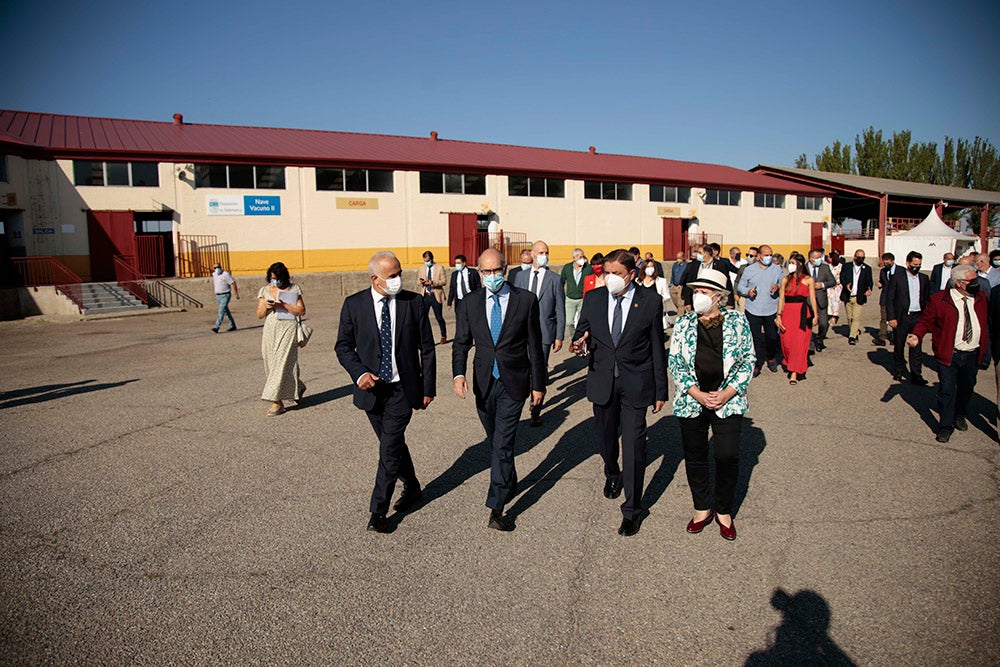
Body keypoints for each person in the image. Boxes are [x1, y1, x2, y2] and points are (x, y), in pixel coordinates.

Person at [334, 251, 437, 533]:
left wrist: (428, 388)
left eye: (400, 273)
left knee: (388, 448)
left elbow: (426, 348)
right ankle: (413, 486)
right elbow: (343, 346)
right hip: (372, 391)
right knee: (392, 444)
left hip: (403, 388)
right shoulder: (354, 305)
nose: (398, 280)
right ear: (375, 279)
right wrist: (359, 373)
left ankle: (378, 511)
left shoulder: (413, 303)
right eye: (392, 276)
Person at [570, 249, 667, 536]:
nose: (610, 279)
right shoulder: (594, 298)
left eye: (617, 274)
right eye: (606, 273)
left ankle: (632, 509)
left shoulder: (650, 302)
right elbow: (582, 333)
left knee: (635, 446)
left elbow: (657, 347)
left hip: (636, 383)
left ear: (632, 275)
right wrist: (580, 344)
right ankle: (612, 472)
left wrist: (660, 390)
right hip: (602, 380)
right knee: (605, 438)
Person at [452, 249, 546, 531]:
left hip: (514, 381)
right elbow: (461, 342)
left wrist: (538, 385)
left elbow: (535, 345)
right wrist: (458, 374)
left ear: (506, 270)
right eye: (486, 272)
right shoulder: (469, 303)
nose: (492, 277)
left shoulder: (525, 300)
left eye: (497, 271)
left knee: (503, 442)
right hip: (484, 381)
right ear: (478, 273)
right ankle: (510, 476)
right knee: (495, 441)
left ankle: (496, 507)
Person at [668, 268, 754, 541]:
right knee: (695, 455)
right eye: (696, 291)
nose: (698, 296)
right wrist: (695, 393)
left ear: (718, 297)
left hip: (727, 399)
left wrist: (729, 392)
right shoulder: (683, 323)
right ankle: (702, 508)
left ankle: (724, 510)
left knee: (727, 456)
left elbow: (748, 360)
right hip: (692, 400)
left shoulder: (739, 322)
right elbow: (676, 363)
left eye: (704, 292)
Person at [908, 264, 989, 443]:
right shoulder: (940, 300)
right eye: (972, 280)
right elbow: (926, 320)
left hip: (972, 354)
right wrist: (917, 335)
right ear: (959, 283)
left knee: (967, 388)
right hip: (949, 354)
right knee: (946, 390)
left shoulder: (981, 298)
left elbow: (987, 323)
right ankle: (945, 426)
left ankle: (959, 414)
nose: (977, 283)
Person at [513, 239, 566, 426]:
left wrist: (559, 335)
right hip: (520, 332)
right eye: (542, 252)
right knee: (522, 367)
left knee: (539, 369)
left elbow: (560, 308)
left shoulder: (555, 279)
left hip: (544, 332)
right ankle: (519, 401)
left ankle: (536, 410)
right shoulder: (520, 277)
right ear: (533, 254)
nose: (545, 256)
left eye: (547, 252)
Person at [255, 262, 306, 416]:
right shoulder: (265, 291)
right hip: (271, 329)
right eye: (272, 278)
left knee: (281, 362)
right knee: (270, 362)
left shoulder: (293, 289)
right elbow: (259, 314)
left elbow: (301, 310)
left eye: (277, 278)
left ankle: (276, 402)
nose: (274, 281)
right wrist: (268, 306)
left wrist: (283, 305)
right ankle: (297, 387)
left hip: (288, 328)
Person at [737, 245, 783, 376]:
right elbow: (740, 286)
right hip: (753, 309)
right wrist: (748, 291)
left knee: (772, 337)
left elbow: (783, 283)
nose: (768, 257)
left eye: (770, 255)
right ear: (759, 256)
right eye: (766, 255)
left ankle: (770, 357)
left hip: (771, 308)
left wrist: (778, 286)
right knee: (755, 338)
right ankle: (756, 363)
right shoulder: (749, 270)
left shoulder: (777, 269)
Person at [886, 251, 930, 385]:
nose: (917, 267)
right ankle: (899, 370)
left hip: (917, 317)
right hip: (902, 317)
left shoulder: (924, 278)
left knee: (916, 347)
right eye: (914, 264)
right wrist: (891, 317)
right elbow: (890, 299)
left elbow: (926, 299)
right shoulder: (897, 278)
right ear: (908, 263)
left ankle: (916, 375)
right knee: (899, 346)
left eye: (919, 264)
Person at [776, 252, 818, 384]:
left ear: (800, 264)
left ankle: (794, 371)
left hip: (802, 313)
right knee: (786, 342)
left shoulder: (808, 280)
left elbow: (812, 298)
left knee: (798, 343)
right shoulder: (785, 280)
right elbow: (781, 298)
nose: (790, 266)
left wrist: (816, 315)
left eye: (793, 263)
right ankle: (789, 362)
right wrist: (778, 315)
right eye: (790, 263)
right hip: (788, 312)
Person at [681, 244, 734, 309]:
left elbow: (727, 283)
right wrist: (688, 302)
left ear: (707, 253)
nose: (698, 255)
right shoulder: (692, 266)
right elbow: (688, 284)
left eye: (700, 253)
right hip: (697, 300)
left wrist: (730, 303)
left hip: (714, 300)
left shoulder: (720, 265)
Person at [839, 250, 873, 345]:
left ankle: (852, 336)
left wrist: (869, 289)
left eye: (863, 257)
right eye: (859, 257)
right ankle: (855, 331)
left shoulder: (867, 268)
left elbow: (869, 281)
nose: (861, 259)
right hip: (848, 295)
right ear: (854, 257)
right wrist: (846, 285)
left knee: (856, 317)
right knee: (850, 318)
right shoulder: (847, 266)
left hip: (859, 296)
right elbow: (842, 278)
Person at [806, 249, 836, 352]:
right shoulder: (804, 269)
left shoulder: (825, 267)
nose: (819, 259)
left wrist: (822, 285)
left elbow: (832, 281)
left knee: (824, 324)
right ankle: (809, 344)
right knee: (807, 324)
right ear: (810, 258)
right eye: (817, 258)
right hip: (807, 301)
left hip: (821, 300)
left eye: (820, 257)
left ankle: (819, 340)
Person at [561, 247, 593, 340]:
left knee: (581, 322)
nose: (581, 259)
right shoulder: (567, 268)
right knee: (569, 322)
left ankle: (580, 339)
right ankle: (573, 337)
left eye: (583, 257)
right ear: (574, 258)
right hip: (570, 299)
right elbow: (562, 282)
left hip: (582, 299)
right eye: (579, 257)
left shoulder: (588, 268)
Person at [417, 250, 448, 343]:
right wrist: (422, 282)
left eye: (428, 260)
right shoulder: (422, 268)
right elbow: (418, 282)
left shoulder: (439, 268)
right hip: (425, 295)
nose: (426, 262)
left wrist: (433, 282)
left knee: (439, 317)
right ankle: (423, 338)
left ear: (432, 259)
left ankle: (443, 335)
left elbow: (444, 281)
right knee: (423, 318)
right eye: (425, 261)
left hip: (435, 295)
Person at [639, 258, 670, 331]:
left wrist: (662, 299)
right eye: (647, 267)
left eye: (651, 267)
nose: (650, 269)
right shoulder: (638, 281)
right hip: (642, 312)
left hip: (655, 312)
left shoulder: (661, 281)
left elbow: (667, 296)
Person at [874, 253, 897, 346]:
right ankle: (882, 337)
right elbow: (883, 282)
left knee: (895, 318)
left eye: (888, 263)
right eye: (884, 263)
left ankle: (895, 337)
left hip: (896, 298)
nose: (886, 265)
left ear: (892, 261)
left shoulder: (900, 271)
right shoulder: (883, 271)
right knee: (884, 318)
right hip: (885, 298)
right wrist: (880, 284)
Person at [211, 262, 239, 333]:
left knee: (221, 310)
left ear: (221, 267)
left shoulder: (225, 274)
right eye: (215, 268)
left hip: (225, 295)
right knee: (226, 311)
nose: (217, 269)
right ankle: (233, 325)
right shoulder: (214, 274)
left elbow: (233, 283)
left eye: (218, 267)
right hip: (218, 295)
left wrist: (236, 294)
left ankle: (217, 327)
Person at [669, 251, 688, 320]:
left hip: (681, 286)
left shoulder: (687, 265)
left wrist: (683, 284)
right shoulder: (675, 265)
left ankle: (680, 318)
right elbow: (673, 274)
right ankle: (682, 311)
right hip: (674, 285)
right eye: (677, 258)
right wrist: (671, 284)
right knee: (675, 300)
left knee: (681, 303)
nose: (678, 259)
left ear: (683, 257)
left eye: (680, 258)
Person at [827, 250, 844, 325]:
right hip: (829, 287)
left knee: (836, 302)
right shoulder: (828, 266)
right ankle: (829, 315)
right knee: (829, 302)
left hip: (837, 287)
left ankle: (834, 316)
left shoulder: (841, 266)